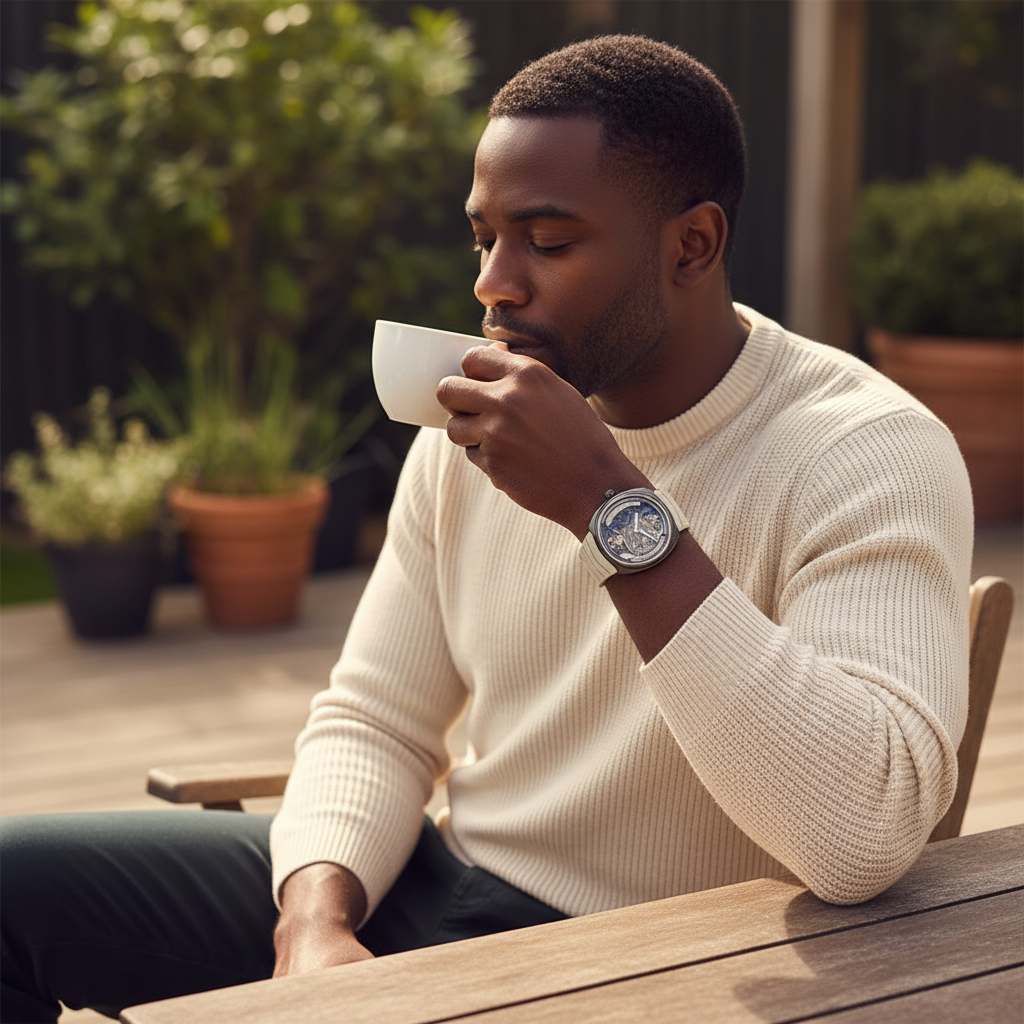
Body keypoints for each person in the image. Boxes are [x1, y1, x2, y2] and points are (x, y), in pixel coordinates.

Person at [1, 35, 972, 1022]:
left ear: (692, 243)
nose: (493, 284)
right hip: (433, 884)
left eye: (545, 241)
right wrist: (314, 927)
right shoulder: (473, 417)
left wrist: (606, 506)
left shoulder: (864, 451)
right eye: (484, 236)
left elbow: (864, 832)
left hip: (646, 963)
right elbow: (375, 718)